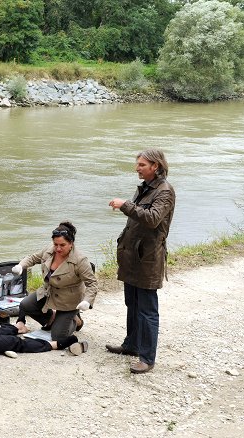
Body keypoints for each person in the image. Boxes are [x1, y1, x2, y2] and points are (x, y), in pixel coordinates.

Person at [107, 149, 175, 374]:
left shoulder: (165, 191)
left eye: (142, 165)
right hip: (132, 258)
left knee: (147, 310)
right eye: (137, 164)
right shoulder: (145, 188)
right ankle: (132, 345)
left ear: (155, 166)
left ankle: (147, 358)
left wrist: (125, 204)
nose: (137, 168)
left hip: (148, 260)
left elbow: (153, 219)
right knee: (132, 304)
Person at [11, 222, 98, 341]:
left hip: (68, 301)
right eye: (55, 244)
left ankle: (76, 320)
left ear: (71, 243)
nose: (58, 248)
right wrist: (21, 266)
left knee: (58, 336)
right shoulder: (49, 250)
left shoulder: (80, 260)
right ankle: (52, 318)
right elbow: (32, 258)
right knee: (26, 305)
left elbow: (92, 283)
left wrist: (87, 301)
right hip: (48, 292)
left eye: (62, 245)